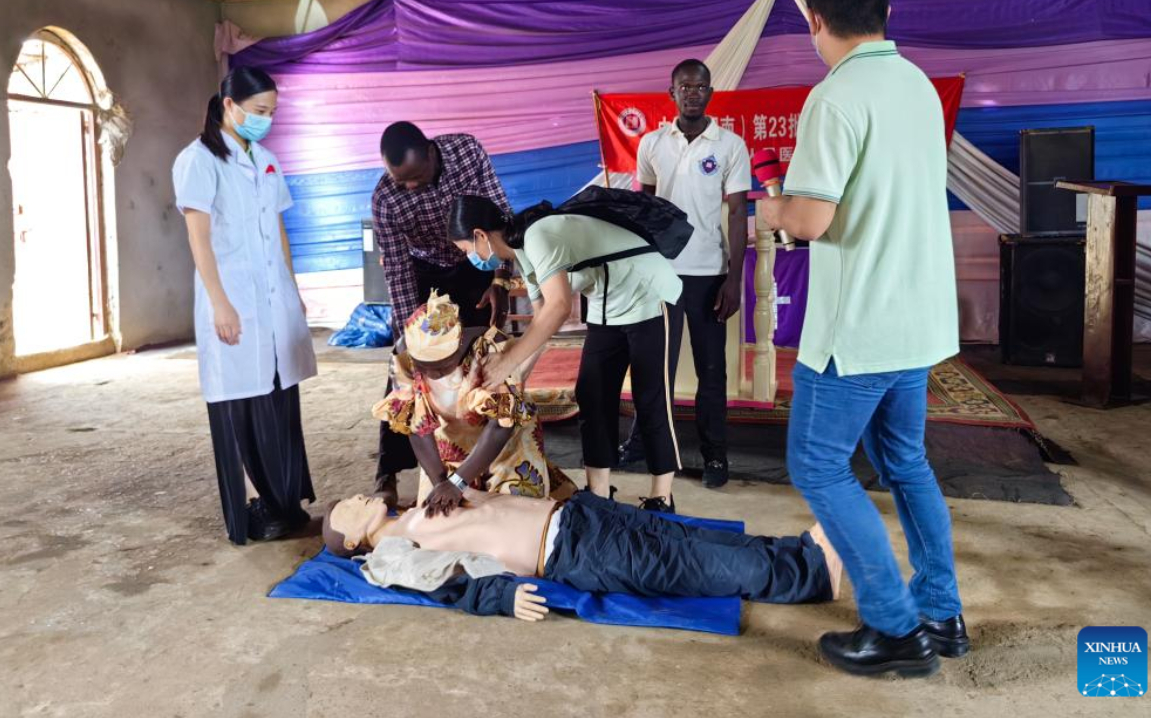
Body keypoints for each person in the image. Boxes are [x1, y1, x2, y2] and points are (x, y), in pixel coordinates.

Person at [759, 0, 967, 677]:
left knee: (819, 466)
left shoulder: (836, 95)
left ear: (814, 18)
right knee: (906, 462)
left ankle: (895, 628)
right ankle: (941, 611)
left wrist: (771, 209)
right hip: (915, 320)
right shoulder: (916, 85)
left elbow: (814, 219)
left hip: (858, 326)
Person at [447, 195, 685, 512]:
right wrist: (513, 379)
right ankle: (599, 493)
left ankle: (661, 497)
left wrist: (507, 361)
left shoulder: (539, 236)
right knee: (592, 393)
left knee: (650, 396)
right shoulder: (523, 252)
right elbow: (541, 320)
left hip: (650, 295)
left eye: (466, 250)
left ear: (479, 235)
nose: (470, 259)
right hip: (606, 306)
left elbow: (559, 307)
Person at [172, 67, 316, 544]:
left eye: (272, 112)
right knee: (243, 403)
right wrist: (220, 304)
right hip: (233, 297)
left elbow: (278, 231)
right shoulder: (199, 161)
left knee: (279, 396)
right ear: (229, 105)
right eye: (258, 111)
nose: (266, 120)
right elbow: (199, 239)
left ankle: (286, 503)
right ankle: (258, 506)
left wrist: (292, 292)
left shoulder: (267, 159)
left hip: (272, 300)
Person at [321, 489, 843, 620]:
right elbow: (440, 580)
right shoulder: (387, 553)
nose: (355, 499)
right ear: (348, 542)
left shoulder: (415, 505)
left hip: (577, 515)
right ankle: (810, 574)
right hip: (570, 550)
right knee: (687, 565)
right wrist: (500, 598)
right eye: (345, 509)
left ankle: (798, 551)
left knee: (690, 541)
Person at [619, 59, 751, 490]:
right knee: (654, 366)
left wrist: (733, 278)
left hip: (709, 275)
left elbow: (736, 215)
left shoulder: (730, 146)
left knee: (712, 372)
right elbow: (644, 210)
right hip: (661, 275)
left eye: (700, 86)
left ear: (710, 93)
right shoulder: (652, 144)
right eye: (684, 86)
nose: (692, 93)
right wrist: (639, 266)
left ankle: (715, 454)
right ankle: (643, 441)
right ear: (671, 93)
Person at [371, 122, 513, 508]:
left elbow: (498, 213)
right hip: (426, 276)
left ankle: (486, 465)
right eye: (401, 181)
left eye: (416, 178)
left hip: (474, 265)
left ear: (431, 155)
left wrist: (500, 280)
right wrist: (408, 337)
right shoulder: (385, 199)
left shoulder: (466, 152)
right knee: (405, 373)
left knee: (484, 361)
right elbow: (397, 270)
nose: (410, 187)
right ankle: (389, 472)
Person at [371, 291, 576, 516]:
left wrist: (458, 482)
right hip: (448, 444)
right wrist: (441, 482)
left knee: (512, 517)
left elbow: (500, 426)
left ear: (458, 345)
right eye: (424, 366)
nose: (432, 374)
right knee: (436, 517)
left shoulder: (490, 348)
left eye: (442, 366)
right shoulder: (404, 356)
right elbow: (416, 424)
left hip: (508, 443)